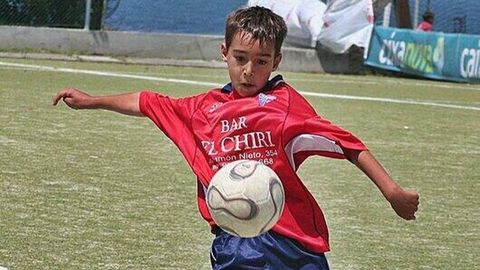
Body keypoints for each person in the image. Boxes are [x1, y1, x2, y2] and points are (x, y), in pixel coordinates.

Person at [52, 6, 419, 270]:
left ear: (276, 62)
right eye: (241, 58)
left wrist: (392, 191)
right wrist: (92, 101)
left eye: (261, 61)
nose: (249, 70)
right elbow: (147, 102)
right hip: (237, 241)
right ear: (224, 52)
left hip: (296, 241)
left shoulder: (285, 105)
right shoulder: (202, 109)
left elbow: (347, 144)